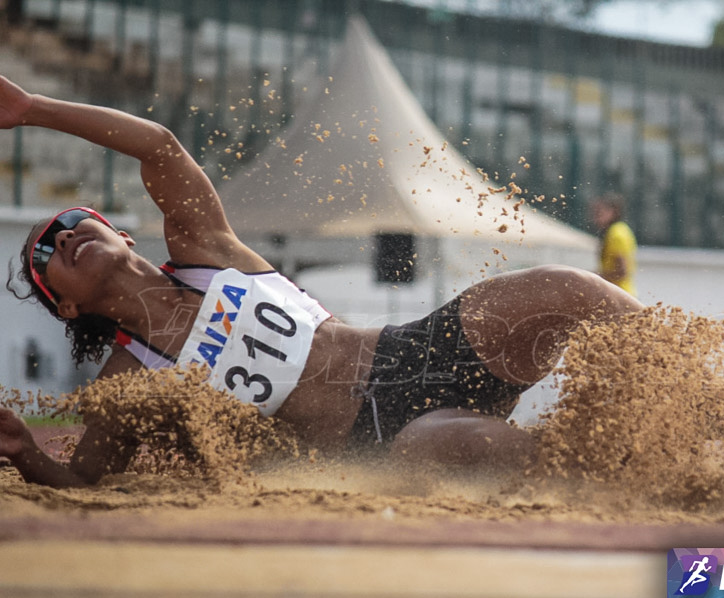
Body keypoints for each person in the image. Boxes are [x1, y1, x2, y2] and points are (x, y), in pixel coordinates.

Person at [0, 75, 643, 488]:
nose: (65, 238)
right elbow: (84, 474)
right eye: (46, 254)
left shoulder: (204, 249)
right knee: (451, 450)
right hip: (378, 432)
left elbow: (161, 148)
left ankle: (697, 398)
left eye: (70, 222)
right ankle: (619, 471)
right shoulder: (127, 379)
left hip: (413, 348)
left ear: (122, 233)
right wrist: (26, 451)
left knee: (570, 287)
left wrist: (31, 109)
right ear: (67, 305)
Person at [589, 194, 638, 296]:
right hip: (622, 294)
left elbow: (621, 271)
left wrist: (594, 277)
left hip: (619, 296)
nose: (595, 217)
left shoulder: (616, 233)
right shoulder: (621, 229)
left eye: (599, 212)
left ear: (613, 212)